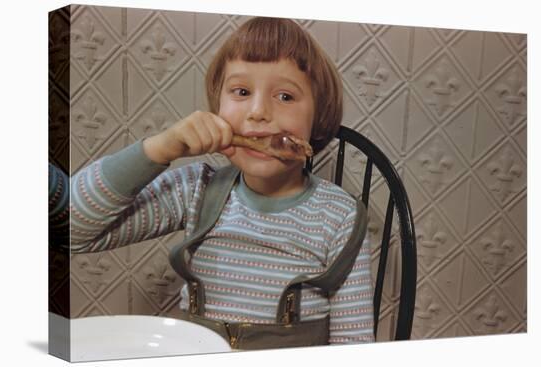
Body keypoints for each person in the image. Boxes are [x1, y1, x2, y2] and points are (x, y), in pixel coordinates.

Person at [61, 16, 375, 348]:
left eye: (285, 97)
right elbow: (72, 228)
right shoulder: (195, 191)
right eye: (241, 91)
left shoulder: (340, 215)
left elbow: (352, 341)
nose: (257, 111)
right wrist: (159, 148)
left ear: (318, 117)